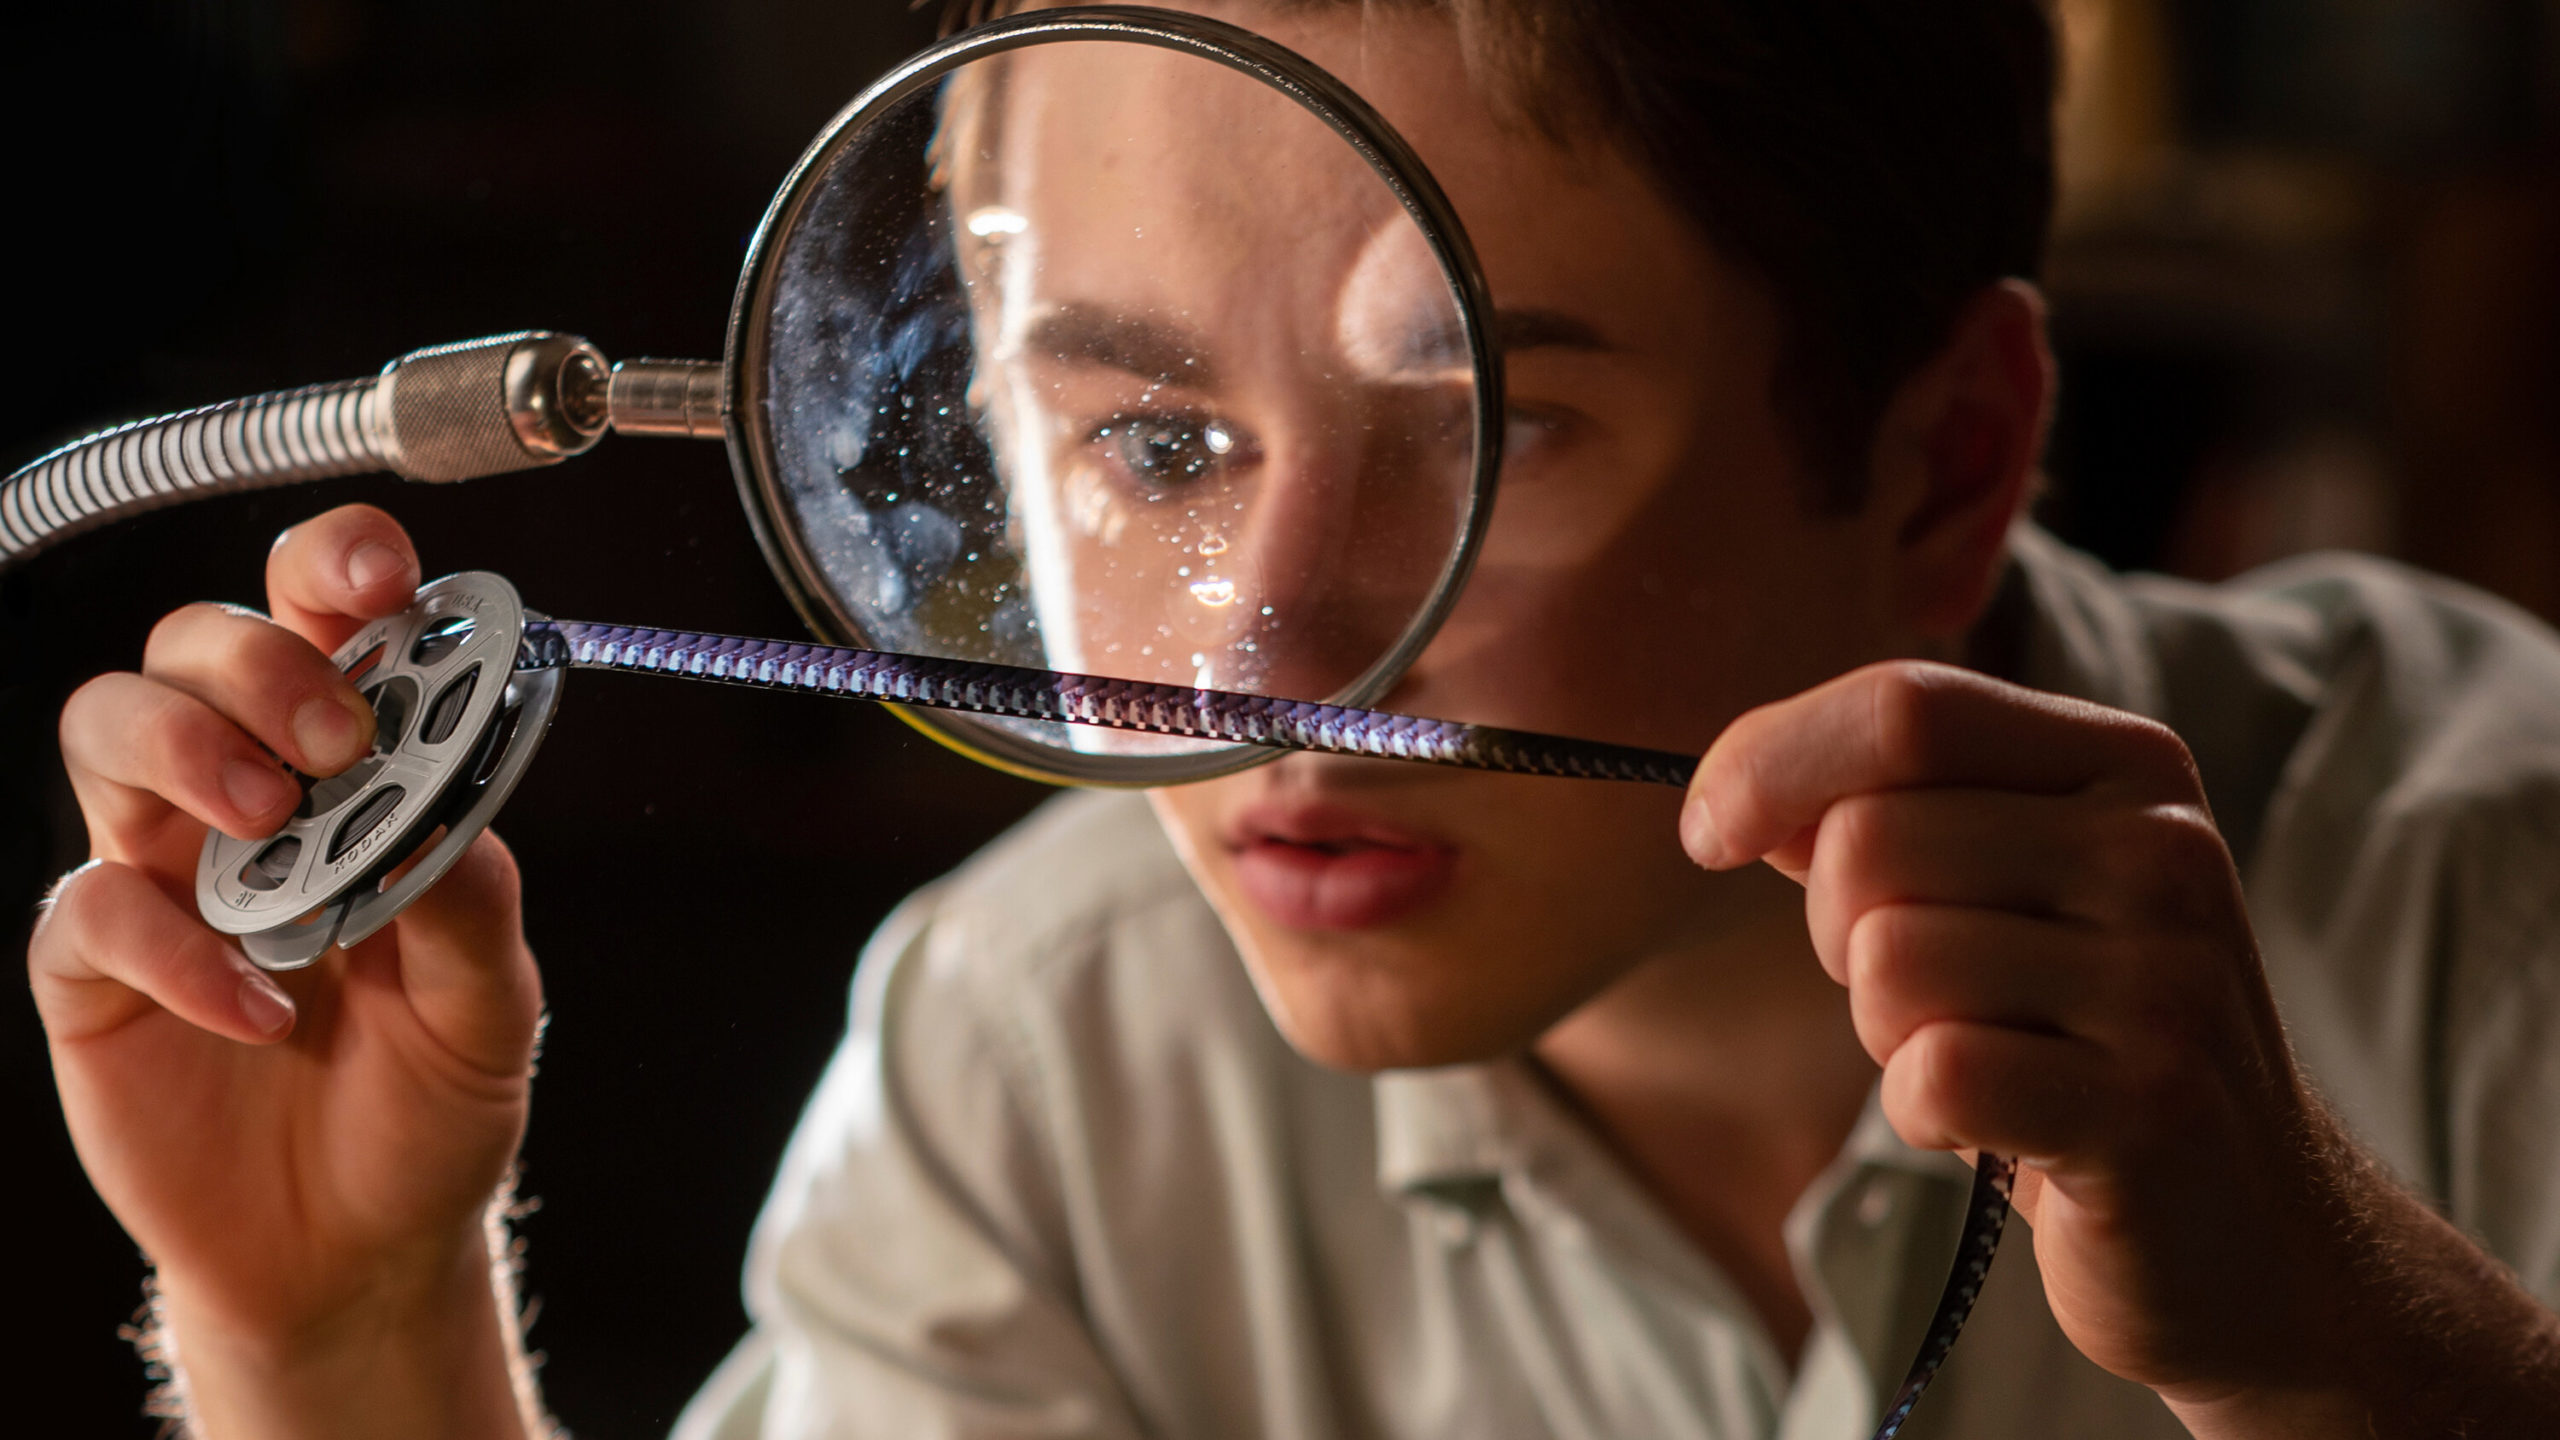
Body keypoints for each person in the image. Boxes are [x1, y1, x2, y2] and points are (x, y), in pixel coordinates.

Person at [29, 0, 2560, 1436]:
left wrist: (2356, 1361)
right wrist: (343, 1339)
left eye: (1485, 429)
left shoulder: (2490, 900)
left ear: (1941, 466)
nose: (1253, 667)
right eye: (1149, 445)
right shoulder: (1037, 1052)